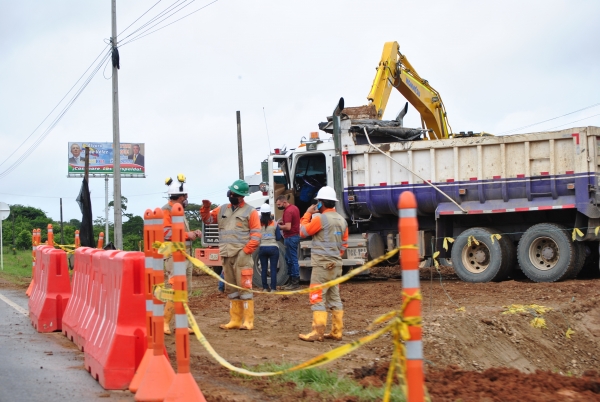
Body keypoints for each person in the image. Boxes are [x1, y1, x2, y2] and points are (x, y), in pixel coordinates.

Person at [201, 179, 261, 330]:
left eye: (235, 194)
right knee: (231, 289)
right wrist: (206, 207)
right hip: (226, 254)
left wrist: (246, 251)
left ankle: (248, 321)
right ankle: (235, 319)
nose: (231, 195)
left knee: (245, 288)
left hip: (242, 255)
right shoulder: (222, 209)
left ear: (241, 196)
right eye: (231, 192)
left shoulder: (250, 211)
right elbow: (207, 220)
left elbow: (256, 235)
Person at [298, 186, 348, 342]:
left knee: (317, 297)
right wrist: (335, 257)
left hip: (322, 265)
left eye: (318, 202)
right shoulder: (342, 219)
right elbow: (344, 244)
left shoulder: (320, 219)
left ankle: (317, 332)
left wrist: (307, 214)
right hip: (336, 265)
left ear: (321, 203)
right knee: (334, 297)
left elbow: (302, 232)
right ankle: (336, 332)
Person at [162, 177, 201, 335]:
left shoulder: (179, 210)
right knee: (175, 289)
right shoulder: (167, 210)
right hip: (173, 256)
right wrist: (187, 235)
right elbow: (166, 232)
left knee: (185, 291)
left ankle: (181, 325)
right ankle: (165, 322)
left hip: (185, 256)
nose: (186, 199)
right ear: (179, 197)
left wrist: (193, 234)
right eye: (185, 196)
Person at [275, 194, 300, 290]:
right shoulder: (294, 208)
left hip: (290, 237)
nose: (278, 206)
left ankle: (294, 282)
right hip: (293, 236)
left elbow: (288, 227)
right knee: (289, 259)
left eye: (279, 204)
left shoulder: (288, 211)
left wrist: (278, 227)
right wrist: (282, 223)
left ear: (284, 202)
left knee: (292, 260)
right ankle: (291, 281)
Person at [258, 203, 278, 292]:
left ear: (261, 213)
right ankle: (273, 288)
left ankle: (265, 288)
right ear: (270, 213)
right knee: (273, 268)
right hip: (273, 248)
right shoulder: (275, 223)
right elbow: (278, 237)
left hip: (262, 248)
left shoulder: (258, 224)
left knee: (264, 268)